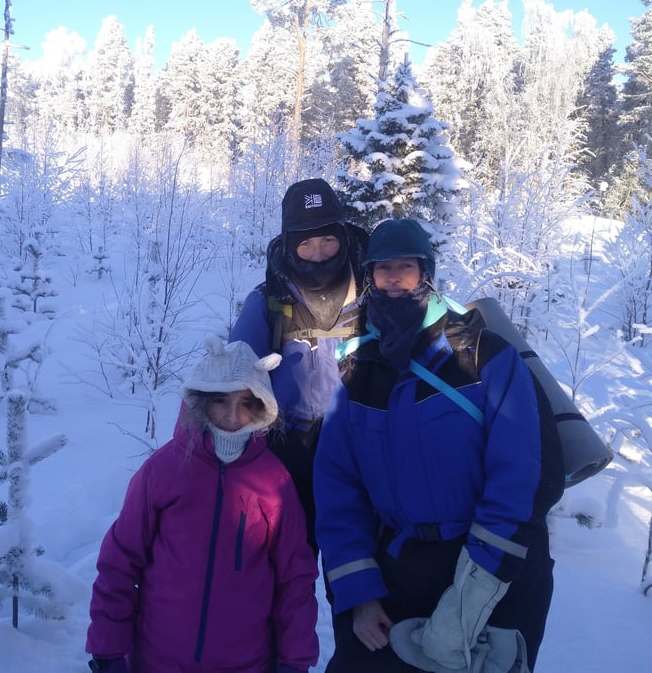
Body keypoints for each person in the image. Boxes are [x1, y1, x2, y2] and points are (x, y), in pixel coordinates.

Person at [314, 218, 564, 672]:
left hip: (487, 570)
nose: (392, 278)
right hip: (398, 568)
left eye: (404, 267)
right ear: (368, 278)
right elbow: (337, 488)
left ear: (425, 273)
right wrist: (361, 594)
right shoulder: (359, 370)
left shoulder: (484, 357)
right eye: (381, 268)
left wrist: (471, 597)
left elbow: (518, 480)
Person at [86, 337, 320, 673]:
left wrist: (293, 661)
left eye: (245, 402)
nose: (231, 415)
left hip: (245, 662)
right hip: (157, 660)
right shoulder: (164, 469)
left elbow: (295, 578)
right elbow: (119, 561)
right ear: (201, 400)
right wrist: (108, 650)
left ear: (261, 407)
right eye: (220, 400)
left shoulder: (274, 482)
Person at [229, 178, 368, 553]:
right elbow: (231, 380)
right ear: (289, 244)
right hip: (289, 452)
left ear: (343, 235)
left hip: (361, 452)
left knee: (357, 566)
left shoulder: (373, 292)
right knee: (287, 566)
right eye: (305, 243)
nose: (319, 253)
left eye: (327, 240)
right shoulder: (268, 302)